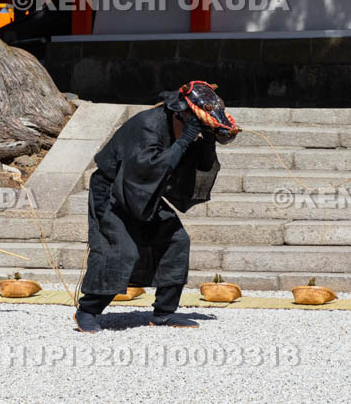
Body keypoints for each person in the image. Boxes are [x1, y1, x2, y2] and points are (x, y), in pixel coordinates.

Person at [74, 81, 239, 333]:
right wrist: (184, 140)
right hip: (114, 192)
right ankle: (87, 310)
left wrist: (207, 139)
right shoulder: (146, 124)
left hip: (145, 191)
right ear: (180, 112)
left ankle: (164, 312)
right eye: (194, 122)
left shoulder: (181, 126)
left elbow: (197, 166)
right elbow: (148, 167)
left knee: (177, 240)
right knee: (121, 250)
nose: (193, 128)